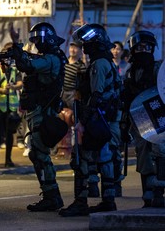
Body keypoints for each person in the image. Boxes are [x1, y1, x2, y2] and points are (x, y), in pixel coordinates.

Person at [59, 23, 120, 216]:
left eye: (86, 44)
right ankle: (108, 200)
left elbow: (96, 95)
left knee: (82, 160)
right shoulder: (105, 61)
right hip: (105, 118)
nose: (84, 47)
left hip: (97, 119)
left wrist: (82, 120)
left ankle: (81, 201)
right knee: (105, 159)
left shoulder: (99, 64)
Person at [11, 22, 66, 212]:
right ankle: (51, 195)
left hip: (43, 112)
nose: (36, 43)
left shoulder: (51, 59)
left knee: (40, 154)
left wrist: (18, 51)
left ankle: (52, 196)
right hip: (40, 111)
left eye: (38, 39)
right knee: (38, 153)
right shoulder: (50, 57)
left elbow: (28, 65)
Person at [122, 30, 163, 207]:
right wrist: (124, 125)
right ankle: (147, 195)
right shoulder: (130, 74)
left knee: (160, 154)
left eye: (147, 47)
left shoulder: (159, 69)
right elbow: (125, 101)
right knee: (143, 156)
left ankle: (159, 194)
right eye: (140, 47)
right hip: (139, 120)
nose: (144, 50)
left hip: (159, 119)